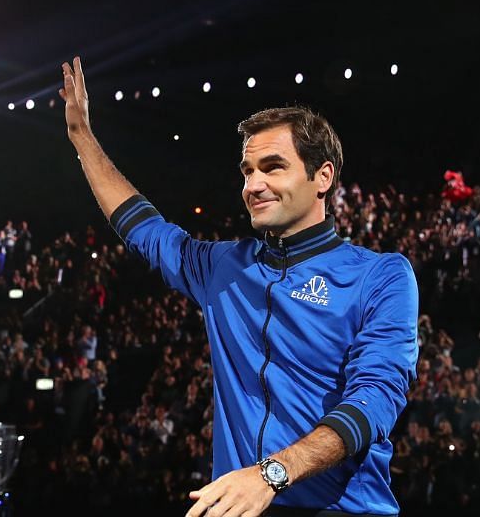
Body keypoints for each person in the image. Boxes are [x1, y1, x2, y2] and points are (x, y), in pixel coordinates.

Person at [58, 57, 418, 516]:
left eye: (273, 167)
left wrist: (272, 474)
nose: (254, 184)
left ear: (322, 177)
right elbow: (143, 227)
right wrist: (81, 137)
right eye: (247, 171)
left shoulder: (381, 275)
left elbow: (376, 399)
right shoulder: (223, 267)